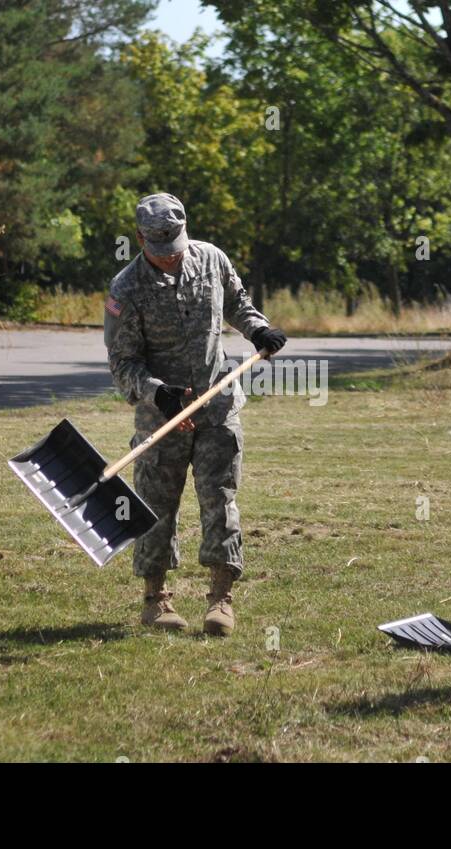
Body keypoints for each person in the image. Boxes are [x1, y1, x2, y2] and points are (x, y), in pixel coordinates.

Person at [104, 193, 286, 636]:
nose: (170, 259)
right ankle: (155, 600)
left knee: (219, 500)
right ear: (140, 239)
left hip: (216, 407)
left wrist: (258, 327)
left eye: (176, 248)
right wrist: (158, 394)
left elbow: (238, 302)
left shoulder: (212, 260)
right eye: (160, 251)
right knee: (154, 507)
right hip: (160, 416)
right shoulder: (125, 289)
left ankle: (221, 599)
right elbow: (123, 364)